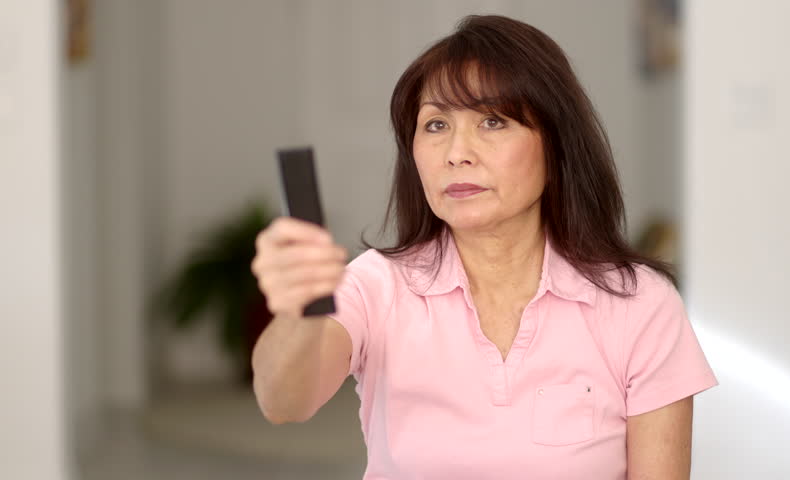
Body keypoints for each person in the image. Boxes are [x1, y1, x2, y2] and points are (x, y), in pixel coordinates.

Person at [250, 14, 717, 480]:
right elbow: (284, 403)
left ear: (557, 145)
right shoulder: (376, 285)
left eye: (493, 121)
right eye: (436, 125)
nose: (457, 153)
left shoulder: (639, 302)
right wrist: (298, 309)